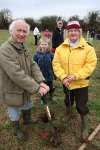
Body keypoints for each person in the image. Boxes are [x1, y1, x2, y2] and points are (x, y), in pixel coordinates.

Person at [0, 19, 49, 140]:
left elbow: (32, 65)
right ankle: (16, 129)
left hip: (26, 86)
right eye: (19, 30)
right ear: (11, 31)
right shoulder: (5, 49)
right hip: (12, 88)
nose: (22, 34)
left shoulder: (23, 46)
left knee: (27, 103)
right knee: (14, 110)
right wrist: (36, 87)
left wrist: (41, 81)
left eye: (24, 31)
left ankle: (27, 120)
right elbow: (16, 74)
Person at [53, 20, 97, 141]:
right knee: (67, 100)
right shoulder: (60, 48)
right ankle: (69, 113)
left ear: (79, 32)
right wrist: (63, 77)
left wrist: (76, 76)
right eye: (70, 30)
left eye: (75, 31)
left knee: (81, 105)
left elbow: (90, 65)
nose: (73, 33)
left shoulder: (88, 47)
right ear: (67, 32)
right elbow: (56, 64)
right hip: (66, 82)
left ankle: (84, 126)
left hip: (81, 83)